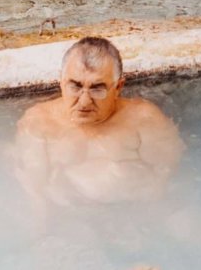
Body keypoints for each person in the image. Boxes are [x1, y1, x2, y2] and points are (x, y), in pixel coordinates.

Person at [13, 35, 184, 214]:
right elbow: (35, 190)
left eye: (97, 89)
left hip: (130, 212)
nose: (85, 101)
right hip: (69, 216)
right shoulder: (39, 122)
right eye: (75, 87)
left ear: (118, 87)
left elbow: (165, 177)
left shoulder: (143, 119)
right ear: (61, 82)